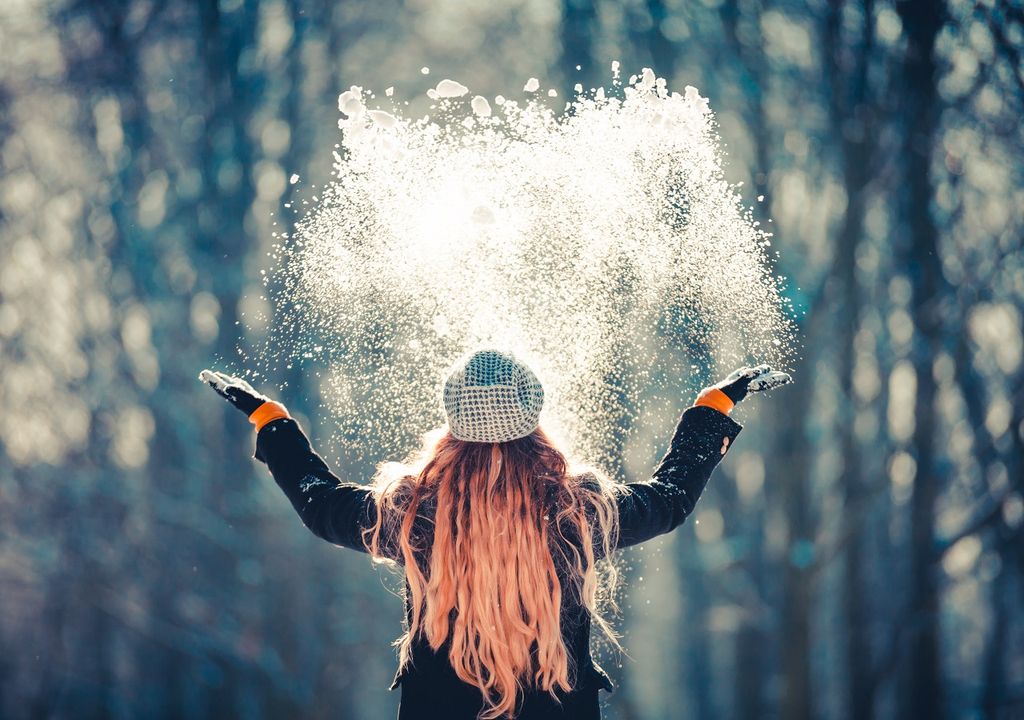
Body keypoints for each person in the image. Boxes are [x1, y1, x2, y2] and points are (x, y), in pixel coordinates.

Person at [200, 350, 790, 720]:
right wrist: (712, 408)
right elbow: (669, 498)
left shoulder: (413, 515)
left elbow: (320, 504)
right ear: (534, 418)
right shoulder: (574, 512)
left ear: (452, 421)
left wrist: (271, 422)